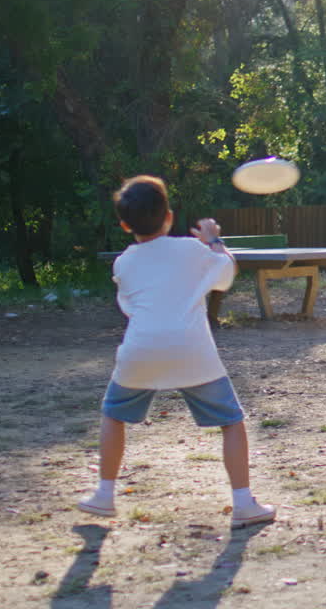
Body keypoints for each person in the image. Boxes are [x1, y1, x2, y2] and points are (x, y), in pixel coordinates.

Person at [76, 175, 275, 529]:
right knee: (231, 420)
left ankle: (104, 495)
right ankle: (243, 503)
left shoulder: (123, 262)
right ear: (169, 216)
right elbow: (226, 275)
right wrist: (214, 241)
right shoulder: (192, 249)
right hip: (192, 350)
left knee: (113, 414)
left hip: (141, 349)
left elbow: (130, 306)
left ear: (124, 225)